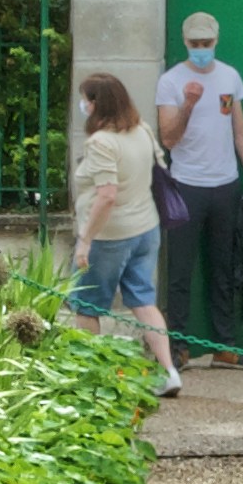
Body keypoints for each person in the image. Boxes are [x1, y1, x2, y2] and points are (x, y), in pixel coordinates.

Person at [153, 13, 243, 369]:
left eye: (207, 44)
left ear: (216, 41)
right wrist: (188, 103)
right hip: (186, 184)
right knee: (181, 271)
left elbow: (241, 131)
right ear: (185, 43)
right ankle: (180, 347)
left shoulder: (229, 76)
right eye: (195, 44)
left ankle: (224, 347)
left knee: (224, 268)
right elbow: (169, 138)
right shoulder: (171, 81)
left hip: (226, 184)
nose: (201, 50)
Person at [65, 69, 180, 396]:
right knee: (144, 300)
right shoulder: (141, 129)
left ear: (95, 103)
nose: (82, 104)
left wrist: (85, 239)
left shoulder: (102, 142)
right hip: (146, 228)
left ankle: (90, 378)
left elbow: (107, 195)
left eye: (85, 99)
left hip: (108, 237)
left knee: (87, 304)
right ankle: (169, 371)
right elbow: (161, 170)